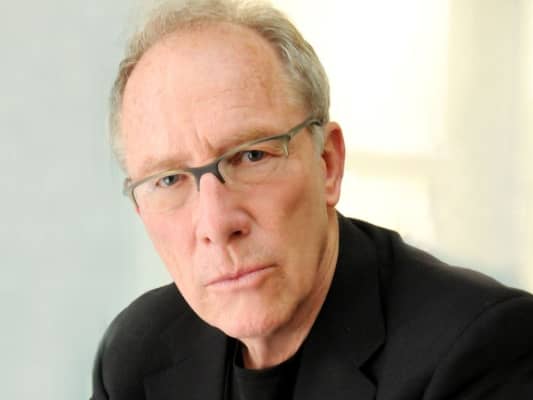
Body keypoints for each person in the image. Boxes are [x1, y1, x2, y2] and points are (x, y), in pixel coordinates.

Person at [91, 0, 533, 399]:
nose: (217, 223)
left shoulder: (480, 351)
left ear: (328, 163)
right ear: (139, 209)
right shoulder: (136, 353)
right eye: (169, 179)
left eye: (251, 155)